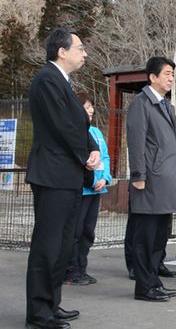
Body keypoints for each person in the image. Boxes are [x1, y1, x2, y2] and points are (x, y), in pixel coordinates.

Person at [25, 28, 100, 329]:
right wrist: (85, 155)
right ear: (62, 51)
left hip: (68, 176)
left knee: (62, 245)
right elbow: (61, 126)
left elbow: (79, 126)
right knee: (48, 244)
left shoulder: (64, 83)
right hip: (52, 174)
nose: (84, 54)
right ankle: (39, 314)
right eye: (80, 48)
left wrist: (92, 150)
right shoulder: (47, 79)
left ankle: (52, 305)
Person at [126, 56, 176, 302]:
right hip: (150, 180)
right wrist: (138, 176)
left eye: (172, 74)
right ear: (152, 77)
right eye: (166, 73)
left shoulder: (165, 105)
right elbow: (136, 143)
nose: (171, 78)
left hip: (165, 180)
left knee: (159, 236)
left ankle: (153, 281)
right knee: (145, 236)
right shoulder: (141, 104)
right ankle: (144, 287)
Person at [64, 92, 112, 286]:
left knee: (87, 232)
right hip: (81, 190)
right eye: (86, 107)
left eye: (91, 106)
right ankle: (70, 271)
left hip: (97, 190)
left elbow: (105, 157)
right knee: (75, 232)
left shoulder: (97, 133)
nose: (91, 110)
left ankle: (81, 268)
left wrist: (105, 179)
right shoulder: (72, 132)